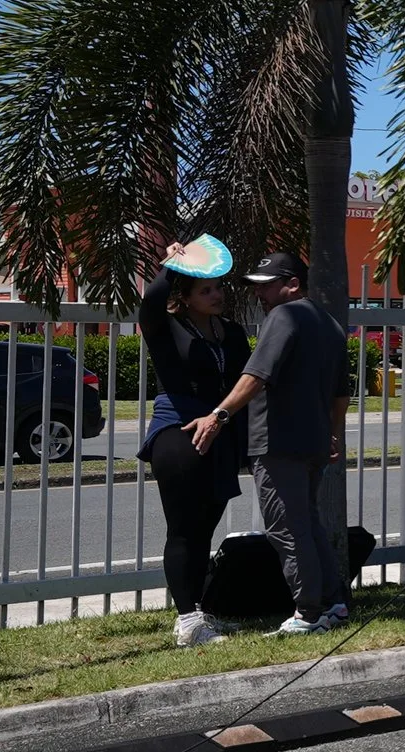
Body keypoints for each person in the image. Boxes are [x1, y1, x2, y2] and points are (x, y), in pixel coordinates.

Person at [198, 252, 349, 635]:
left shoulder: (284, 316)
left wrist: (218, 415)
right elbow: (341, 393)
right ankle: (333, 604)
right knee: (308, 523)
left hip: (278, 442)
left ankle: (308, 614)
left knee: (286, 527)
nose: (259, 294)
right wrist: (333, 433)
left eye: (266, 286)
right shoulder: (329, 323)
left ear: (293, 284)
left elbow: (256, 375)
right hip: (313, 441)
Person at [140, 240, 253, 647]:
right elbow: (151, 301)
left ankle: (196, 615)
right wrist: (173, 264)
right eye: (206, 289)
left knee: (205, 528)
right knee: (184, 529)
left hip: (220, 431)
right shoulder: (167, 327)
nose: (216, 294)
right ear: (185, 297)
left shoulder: (232, 332)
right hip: (178, 430)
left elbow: (245, 384)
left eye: (218, 287)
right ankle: (187, 620)